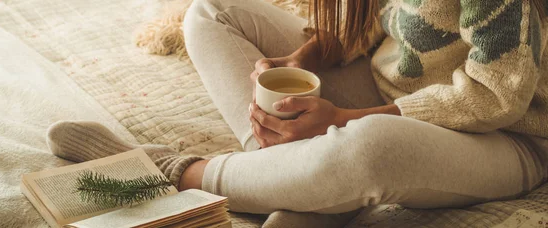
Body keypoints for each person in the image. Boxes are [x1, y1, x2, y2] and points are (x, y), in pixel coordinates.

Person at [47, 0, 548, 226]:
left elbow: (496, 97)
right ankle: (300, 184)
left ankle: (173, 171)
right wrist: (304, 57)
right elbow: (377, 22)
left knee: (370, 147)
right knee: (212, 11)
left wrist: (341, 120)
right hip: (381, 84)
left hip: (506, 137)